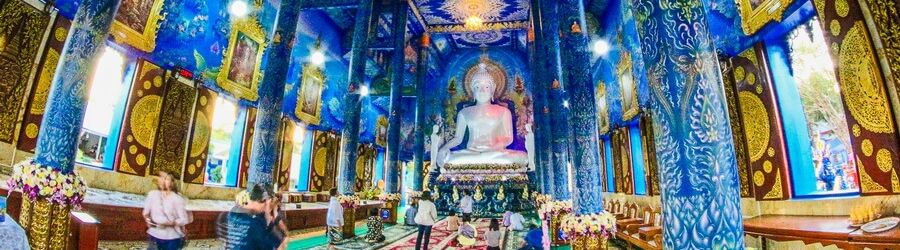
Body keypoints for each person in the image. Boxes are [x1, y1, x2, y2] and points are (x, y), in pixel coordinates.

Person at [143, 170, 191, 250]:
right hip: (154, 235)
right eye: (161, 177)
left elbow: (184, 219)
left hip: (172, 237)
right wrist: (149, 221)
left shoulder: (177, 199)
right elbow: (145, 213)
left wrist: (169, 223)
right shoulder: (152, 194)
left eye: (166, 179)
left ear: (172, 183)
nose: (162, 180)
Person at [224, 183, 281, 250]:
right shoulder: (256, 222)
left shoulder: (232, 213)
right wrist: (268, 215)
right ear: (266, 201)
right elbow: (274, 244)